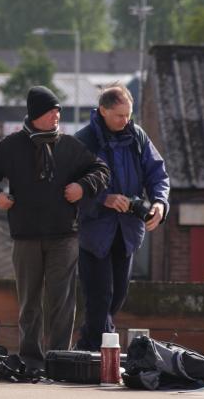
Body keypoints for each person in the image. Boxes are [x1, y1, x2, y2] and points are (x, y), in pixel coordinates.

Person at [0, 86, 109, 371]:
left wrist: (82, 187)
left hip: (64, 236)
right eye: (50, 111)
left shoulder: (70, 146)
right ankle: (31, 360)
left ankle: (59, 359)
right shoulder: (12, 146)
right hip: (26, 236)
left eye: (58, 111)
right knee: (29, 304)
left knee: (61, 303)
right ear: (35, 115)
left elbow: (100, 170)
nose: (56, 116)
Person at [73, 83, 170, 351]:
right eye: (119, 115)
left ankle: (87, 349)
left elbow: (158, 175)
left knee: (117, 297)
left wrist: (160, 204)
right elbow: (69, 189)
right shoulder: (83, 141)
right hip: (94, 232)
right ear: (102, 111)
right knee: (100, 298)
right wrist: (105, 198)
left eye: (128, 115)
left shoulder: (138, 137)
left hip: (127, 232)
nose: (125, 120)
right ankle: (99, 354)